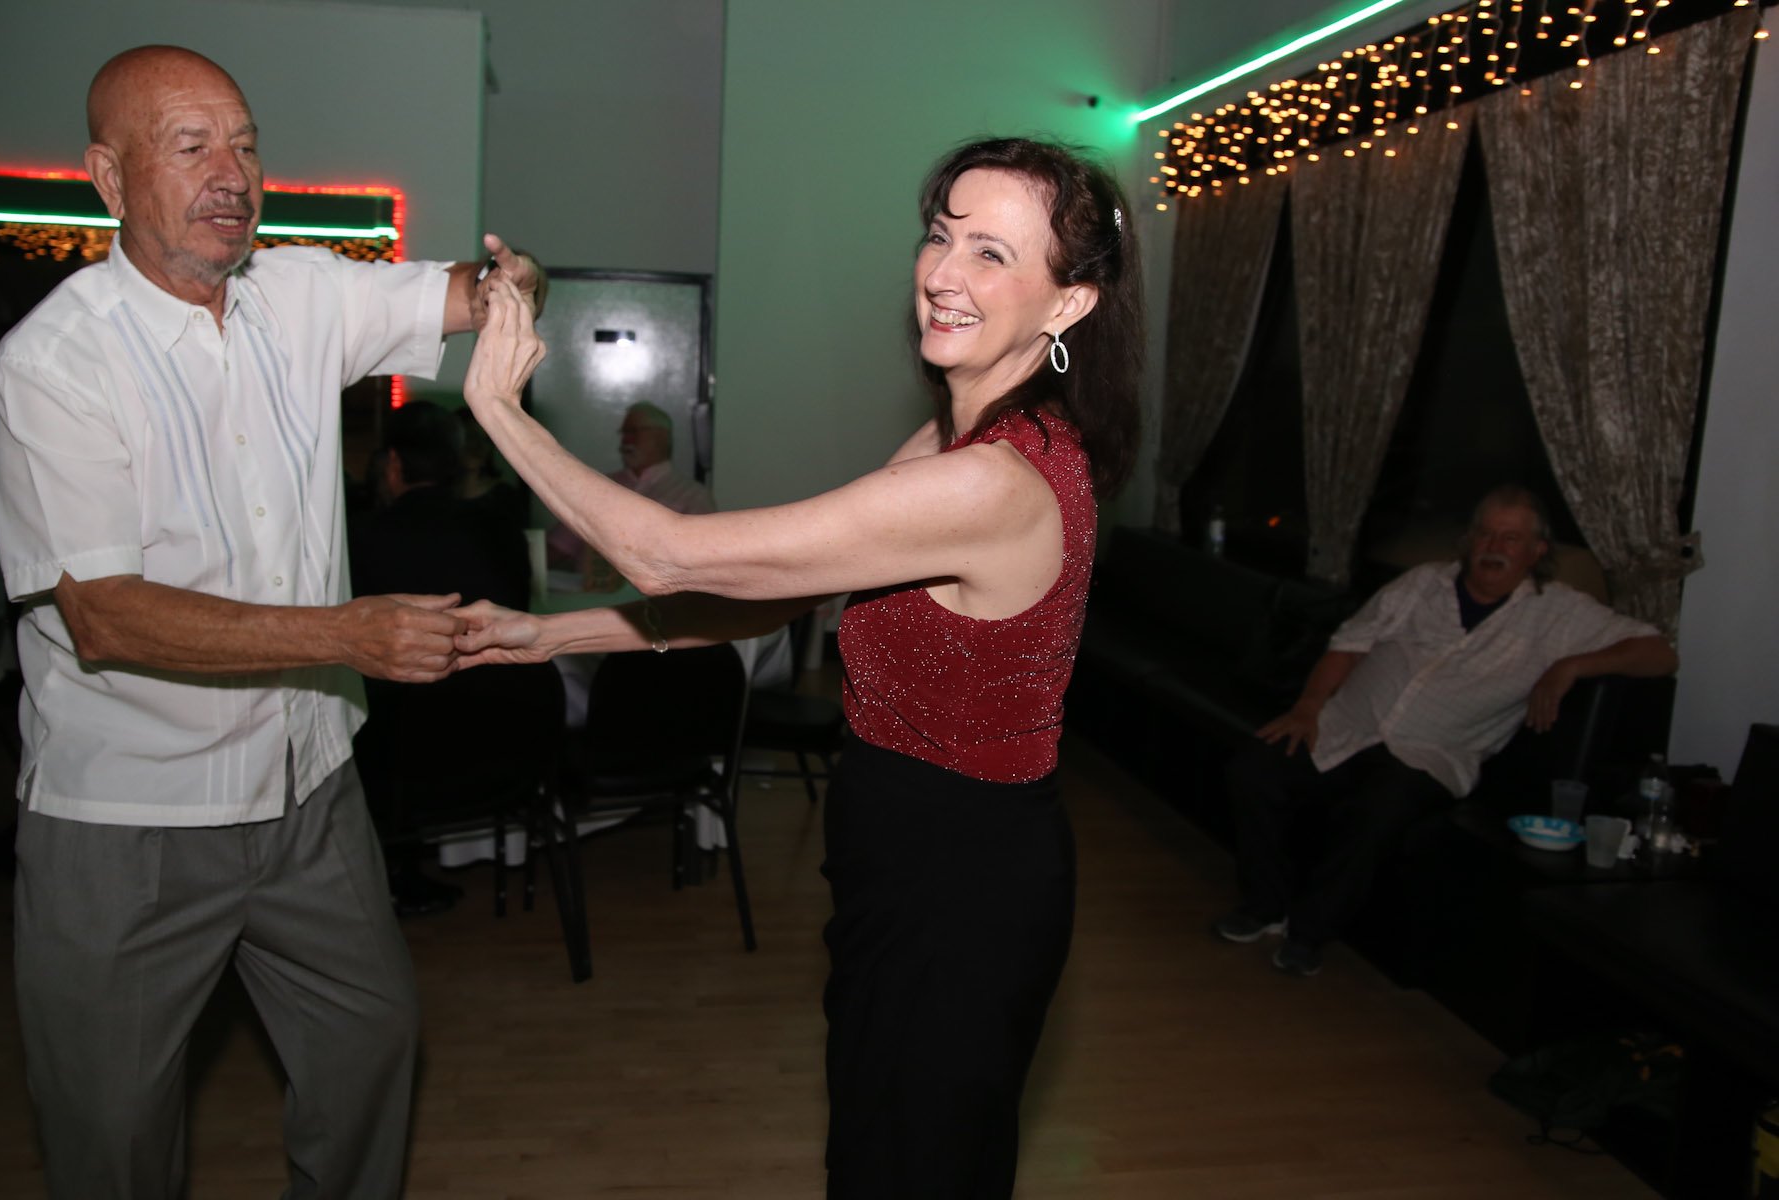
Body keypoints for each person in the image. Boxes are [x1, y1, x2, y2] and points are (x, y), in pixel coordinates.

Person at [454, 137, 1143, 1198]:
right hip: (905, 852)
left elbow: (669, 553)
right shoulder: (954, 447)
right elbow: (766, 594)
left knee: (913, 1164)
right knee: (881, 1150)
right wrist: (553, 636)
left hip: (958, 879)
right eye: (941, 235)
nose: (944, 273)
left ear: (1069, 304)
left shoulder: (996, 483)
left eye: (992, 254)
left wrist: (501, 409)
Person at [0, 45, 544, 1199]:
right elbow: (105, 616)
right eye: (191, 147)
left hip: (306, 789)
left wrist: (512, 287)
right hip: (130, 820)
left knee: (370, 1044)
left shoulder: (299, 295)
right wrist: (346, 636)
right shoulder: (53, 366)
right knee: (110, 1136)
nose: (231, 174)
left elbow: (463, 293)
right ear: (108, 176)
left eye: (244, 144)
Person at [1213, 486, 1680, 978]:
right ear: (1468, 539)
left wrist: (1572, 666)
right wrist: (1308, 708)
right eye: (1485, 533)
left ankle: (1309, 932)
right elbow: (1349, 643)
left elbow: (1660, 654)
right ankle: (1264, 904)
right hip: (1345, 726)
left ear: (1537, 550)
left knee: (1378, 811)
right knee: (1254, 769)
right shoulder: (1422, 583)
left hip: (1429, 754)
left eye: (1511, 538)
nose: (1494, 546)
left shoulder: (1560, 614)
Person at [350, 401, 535, 915]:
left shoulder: (361, 539)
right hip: (507, 733)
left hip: (401, 755)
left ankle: (387, 874)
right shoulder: (500, 529)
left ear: (392, 464)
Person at [546, 399, 715, 587]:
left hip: (661, 599)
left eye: (634, 432)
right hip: (589, 597)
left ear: (661, 437)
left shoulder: (693, 496)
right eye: (624, 433)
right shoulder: (598, 486)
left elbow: (704, 565)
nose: (626, 441)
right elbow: (556, 547)